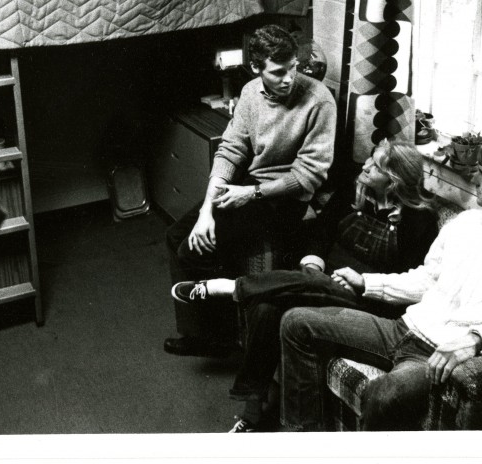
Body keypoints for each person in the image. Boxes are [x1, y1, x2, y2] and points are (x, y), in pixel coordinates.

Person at [278, 138, 482, 431]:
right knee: (296, 322)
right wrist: (366, 282)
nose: (474, 180)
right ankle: (303, 436)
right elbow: (427, 278)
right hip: (401, 328)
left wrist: (476, 340)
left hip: (431, 355)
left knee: (385, 395)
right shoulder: (466, 221)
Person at [171, 138, 439, 432]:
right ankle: (252, 408)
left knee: (288, 292)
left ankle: (232, 287)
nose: (365, 165)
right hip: (322, 279)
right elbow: (322, 232)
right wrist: (314, 262)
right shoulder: (355, 190)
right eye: (370, 159)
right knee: (266, 306)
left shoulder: (419, 220)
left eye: (375, 166)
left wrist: (363, 283)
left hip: (366, 298)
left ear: (393, 180)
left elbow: (409, 281)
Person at [164, 24, 337, 358]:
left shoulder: (319, 101)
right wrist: (205, 213)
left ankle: (225, 336)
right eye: (278, 72)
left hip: (288, 199)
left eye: (293, 69)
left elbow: (309, 176)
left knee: (199, 251)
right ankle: (204, 334)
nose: (289, 79)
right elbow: (231, 151)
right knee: (179, 237)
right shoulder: (249, 93)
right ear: (257, 69)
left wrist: (252, 194)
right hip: (250, 189)